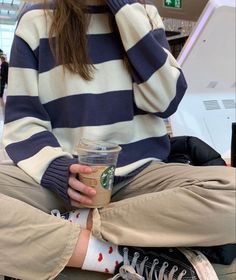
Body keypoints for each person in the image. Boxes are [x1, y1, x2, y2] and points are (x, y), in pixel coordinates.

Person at [0, 0, 235, 279]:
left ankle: (68, 237)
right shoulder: (36, 18)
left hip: (141, 180)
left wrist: (125, 11)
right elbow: (23, 120)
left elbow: (166, 100)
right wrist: (57, 171)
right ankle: (124, 256)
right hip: (60, 183)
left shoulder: (144, 15)